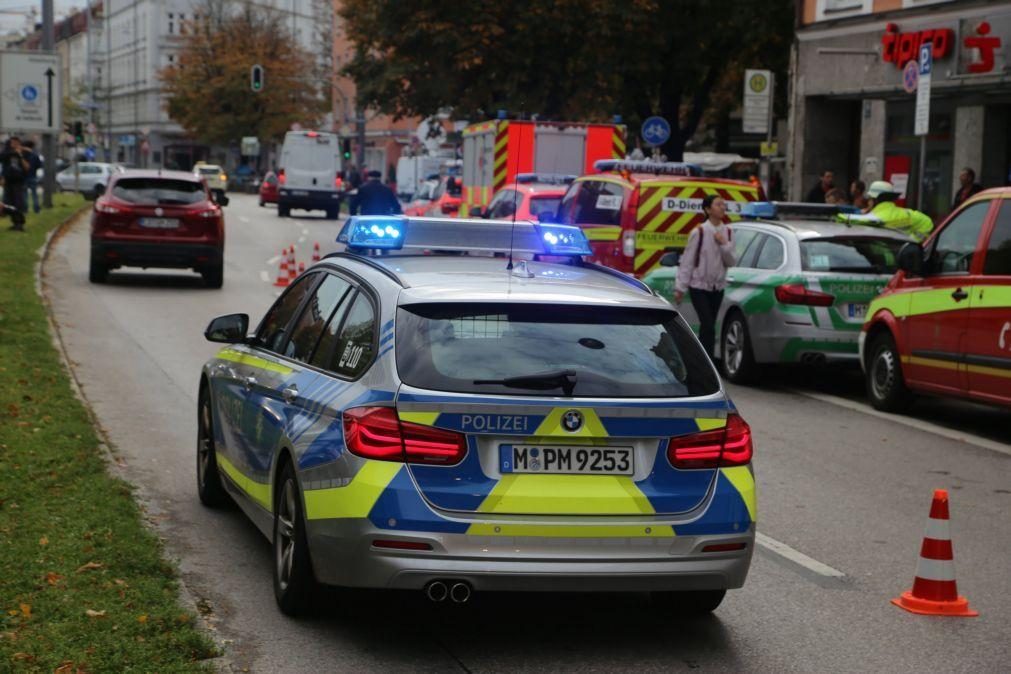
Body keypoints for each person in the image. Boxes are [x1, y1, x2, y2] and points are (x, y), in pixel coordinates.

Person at [674, 195, 736, 361]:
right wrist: (680, 287)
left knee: (709, 327)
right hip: (699, 286)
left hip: (718, 287)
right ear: (708, 210)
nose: (722, 207)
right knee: (708, 325)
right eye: (718, 204)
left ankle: (700, 360)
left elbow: (731, 261)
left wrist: (724, 244)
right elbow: (687, 261)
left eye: (723, 204)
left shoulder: (728, 232)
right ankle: (705, 361)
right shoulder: (699, 232)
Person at [836, 180, 933, 241]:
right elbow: (927, 222)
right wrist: (913, 240)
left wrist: (835, 215)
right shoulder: (908, 213)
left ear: (875, 199)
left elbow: (848, 219)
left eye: (869, 198)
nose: (868, 201)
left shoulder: (877, 218)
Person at [1, 137, 31, 231]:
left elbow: (27, 167)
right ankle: (14, 222)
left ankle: (20, 223)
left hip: (19, 181)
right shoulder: (7, 153)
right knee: (8, 203)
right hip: (8, 181)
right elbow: (2, 158)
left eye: (16, 143)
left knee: (18, 203)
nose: (14, 145)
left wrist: (20, 154)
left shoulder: (23, 153)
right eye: (12, 143)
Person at [23, 140, 42, 214]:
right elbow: (39, 165)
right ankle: (36, 210)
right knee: (34, 195)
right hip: (33, 176)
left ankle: (25, 210)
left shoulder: (23, 155)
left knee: (25, 195)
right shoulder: (35, 155)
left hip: (24, 177)